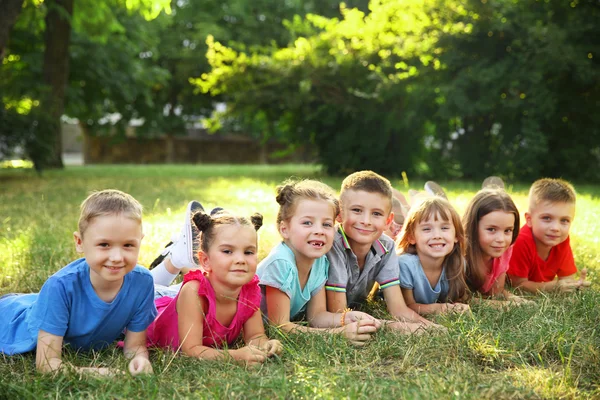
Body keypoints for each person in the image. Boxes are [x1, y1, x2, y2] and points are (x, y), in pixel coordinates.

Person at [0, 190, 156, 376]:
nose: (116, 257)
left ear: (140, 241)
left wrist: (140, 360)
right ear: (80, 242)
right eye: (104, 244)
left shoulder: (143, 282)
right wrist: (101, 373)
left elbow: (135, 347)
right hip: (10, 320)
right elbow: (47, 364)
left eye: (128, 245)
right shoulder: (59, 287)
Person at [146, 209, 282, 365]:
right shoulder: (193, 292)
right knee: (144, 286)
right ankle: (174, 258)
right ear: (205, 260)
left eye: (248, 252)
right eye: (227, 251)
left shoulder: (249, 289)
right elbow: (190, 350)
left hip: (176, 298)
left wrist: (265, 346)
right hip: (152, 304)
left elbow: (255, 336)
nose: (240, 259)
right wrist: (236, 356)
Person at [258, 180, 380, 346]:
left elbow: (317, 316)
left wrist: (346, 318)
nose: (319, 230)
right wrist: (338, 334)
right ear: (284, 229)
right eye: (307, 222)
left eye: (327, 224)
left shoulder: (320, 262)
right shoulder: (281, 263)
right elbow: (279, 327)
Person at [325, 171, 438, 332]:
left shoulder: (387, 246)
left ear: (388, 221)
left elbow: (398, 309)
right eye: (357, 210)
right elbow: (339, 314)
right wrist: (399, 328)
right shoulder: (332, 244)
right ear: (339, 214)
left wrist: (429, 328)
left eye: (376, 214)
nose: (365, 221)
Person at [507, 178, 590, 293]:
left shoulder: (561, 241)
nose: (556, 228)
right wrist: (553, 287)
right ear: (529, 219)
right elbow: (517, 285)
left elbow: (566, 279)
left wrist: (575, 285)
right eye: (547, 218)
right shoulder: (521, 240)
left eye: (564, 220)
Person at [397, 197, 471, 315]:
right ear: (411, 237)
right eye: (427, 229)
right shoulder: (405, 265)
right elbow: (407, 306)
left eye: (444, 228)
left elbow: (458, 298)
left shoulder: (457, 263)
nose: (437, 235)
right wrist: (440, 309)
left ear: (456, 235)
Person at [462, 187, 532, 305]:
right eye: (491, 229)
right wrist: (498, 305)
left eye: (507, 230)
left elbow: (496, 291)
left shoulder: (504, 250)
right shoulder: (460, 255)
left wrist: (514, 298)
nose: (501, 240)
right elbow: (459, 298)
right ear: (473, 227)